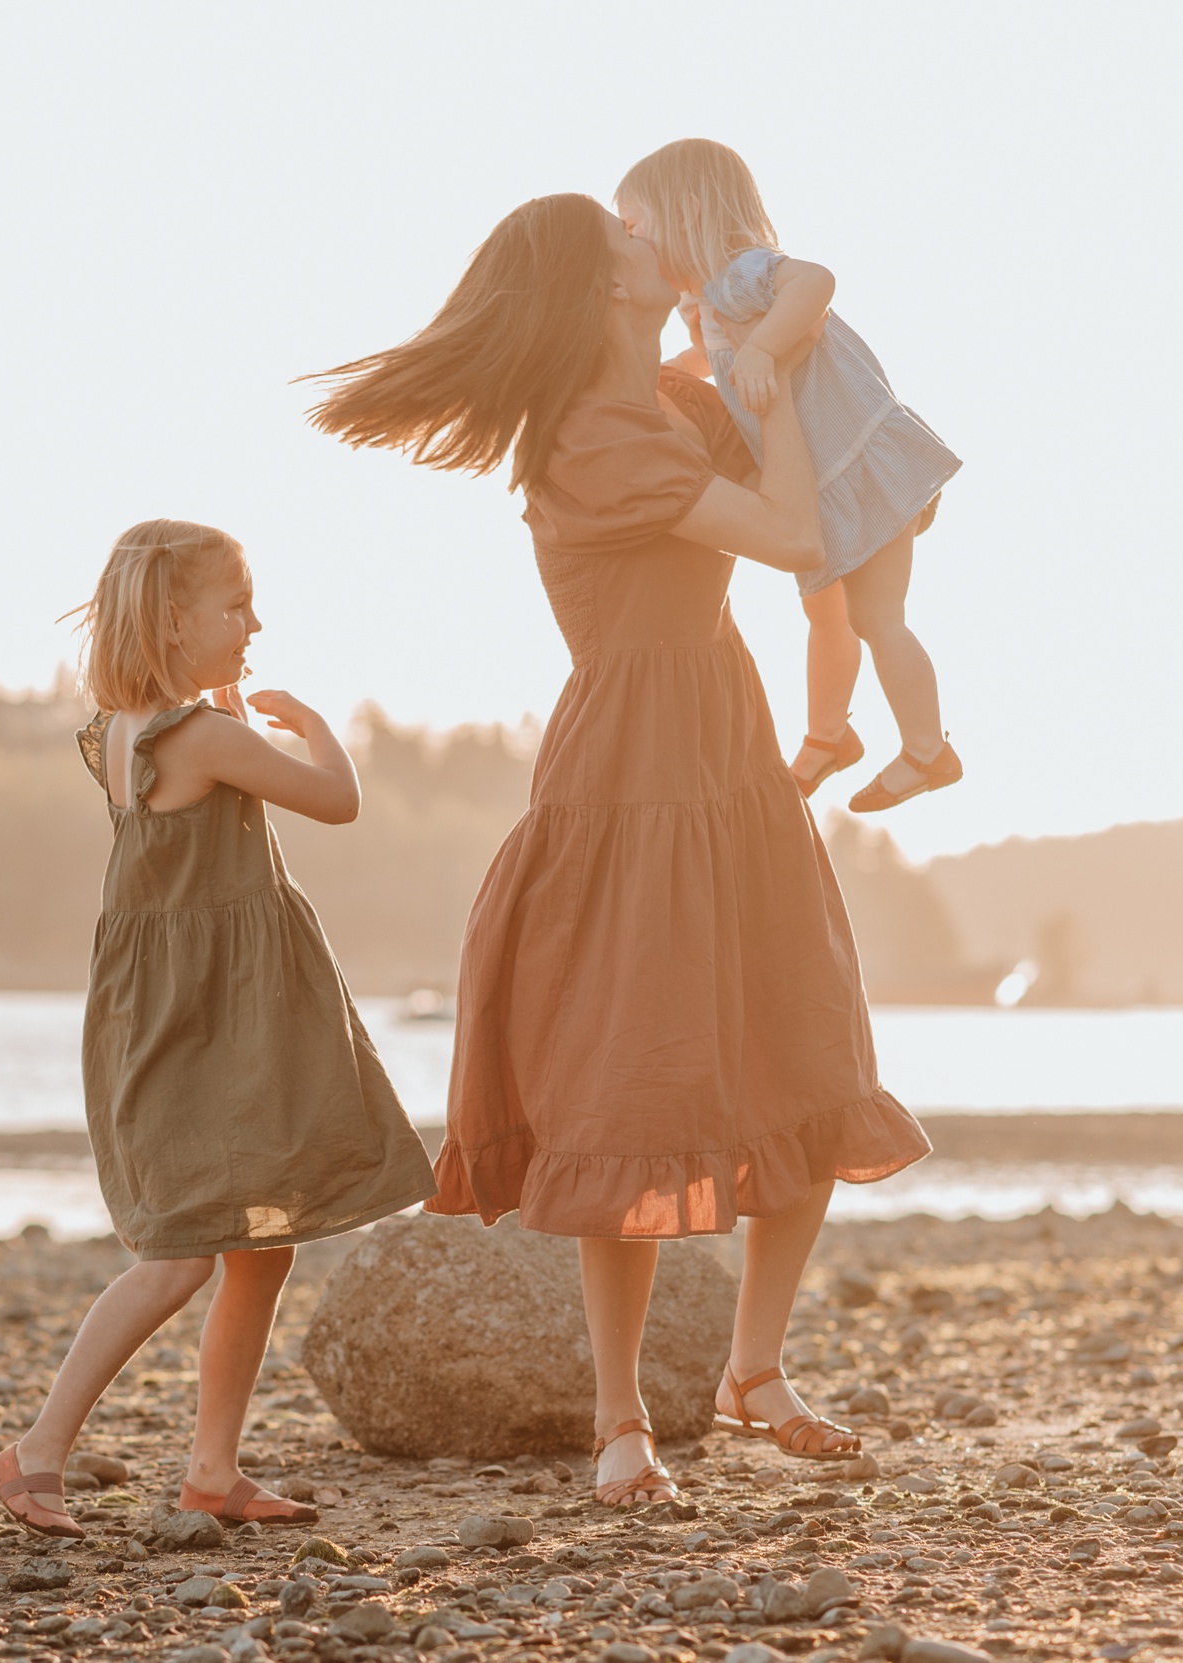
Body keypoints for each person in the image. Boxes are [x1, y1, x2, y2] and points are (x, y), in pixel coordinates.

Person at [308, 195, 929, 1506]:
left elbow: (802, 353)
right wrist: (759, 384)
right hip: (636, 768)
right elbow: (797, 533)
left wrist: (771, 336)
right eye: (629, 236)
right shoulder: (593, 439)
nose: (657, 243)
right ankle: (618, 1417)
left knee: (807, 1050)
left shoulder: (668, 401)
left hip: (728, 756)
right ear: (598, 288)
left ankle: (753, 1371)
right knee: (629, 1091)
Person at [0, 520, 437, 1538]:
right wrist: (314, 722)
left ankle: (211, 1469)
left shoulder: (124, 728)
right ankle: (38, 1449)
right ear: (172, 619)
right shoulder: (202, 738)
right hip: (205, 1025)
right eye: (235, 605)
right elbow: (336, 799)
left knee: (259, 1244)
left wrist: (233, 710)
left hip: (195, 1015)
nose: (255, 622)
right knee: (180, 1250)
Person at [617, 138, 962, 811]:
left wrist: (767, 349)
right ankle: (828, 737)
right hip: (829, 485)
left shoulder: (742, 276)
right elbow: (706, 361)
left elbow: (816, 281)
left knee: (875, 616)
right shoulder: (708, 306)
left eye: (635, 227)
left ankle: (927, 749)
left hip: (863, 468)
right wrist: (657, 378)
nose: (632, 242)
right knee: (824, 610)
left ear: (686, 212)